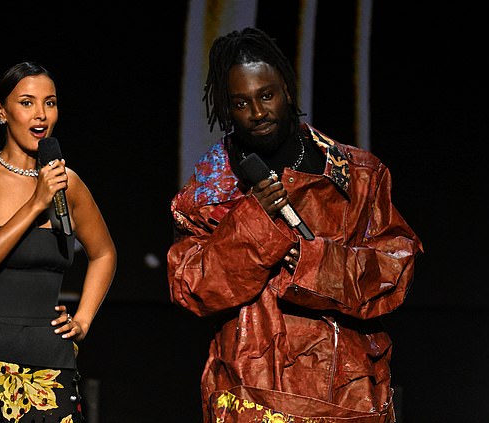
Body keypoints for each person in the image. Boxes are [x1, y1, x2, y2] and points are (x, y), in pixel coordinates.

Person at [167, 27, 423, 422]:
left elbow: (395, 268)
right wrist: (252, 222)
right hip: (249, 387)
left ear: (287, 89)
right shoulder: (207, 191)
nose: (257, 112)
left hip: (344, 389)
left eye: (266, 95)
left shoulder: (357, 175)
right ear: (226, 108)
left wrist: (311, 261)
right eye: (241, 102)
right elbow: (191, 287)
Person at [0, 61, 117, 423]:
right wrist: (36, 203)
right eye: (27, 103)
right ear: (1, 111)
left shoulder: (67, 183)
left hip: (50, 364)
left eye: (49, 103)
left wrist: (82, 321)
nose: (41, 114)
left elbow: (104, 253)